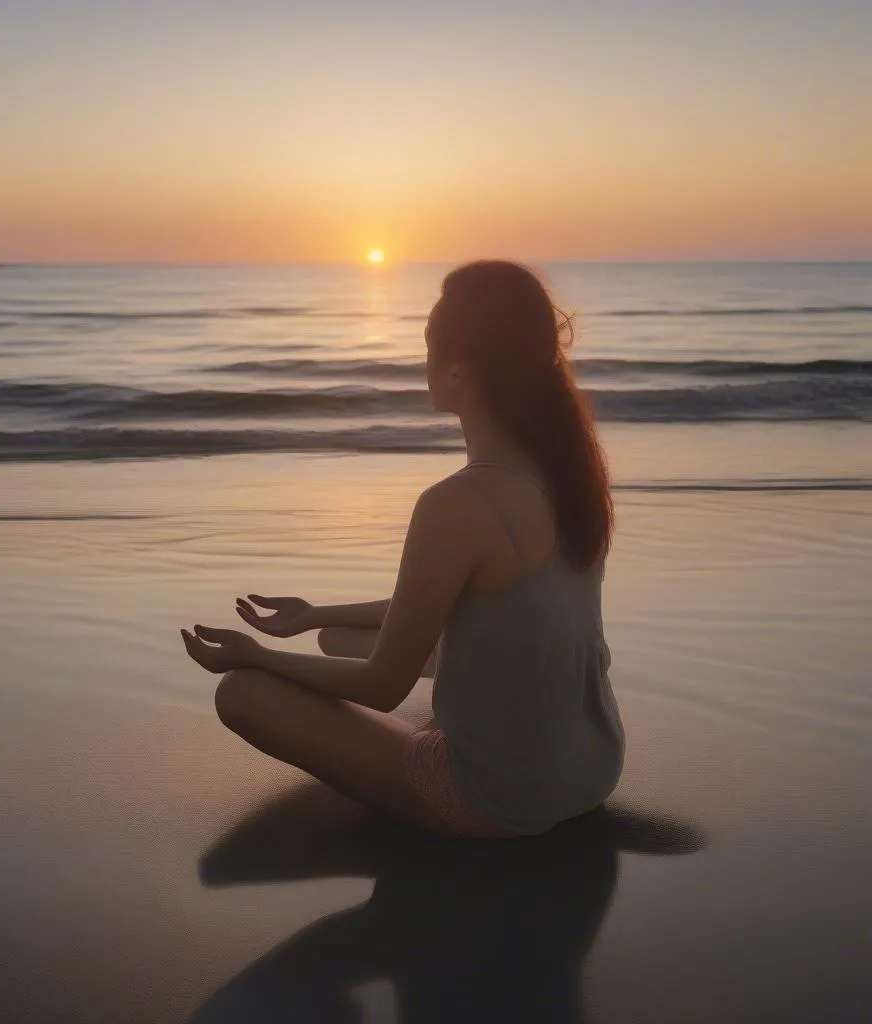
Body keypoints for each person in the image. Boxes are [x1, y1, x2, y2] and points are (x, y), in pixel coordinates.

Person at [181, 260, 625, 839]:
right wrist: (317, 614)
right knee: (334, 639)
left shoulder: (459, 501)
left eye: (426, 344)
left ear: (460, 370)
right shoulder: (568, 473)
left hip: (502, 798)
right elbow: (458, 606)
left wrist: (254, 655)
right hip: (593, 768)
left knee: (241, 694)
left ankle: (435, 776)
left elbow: (382, 689)